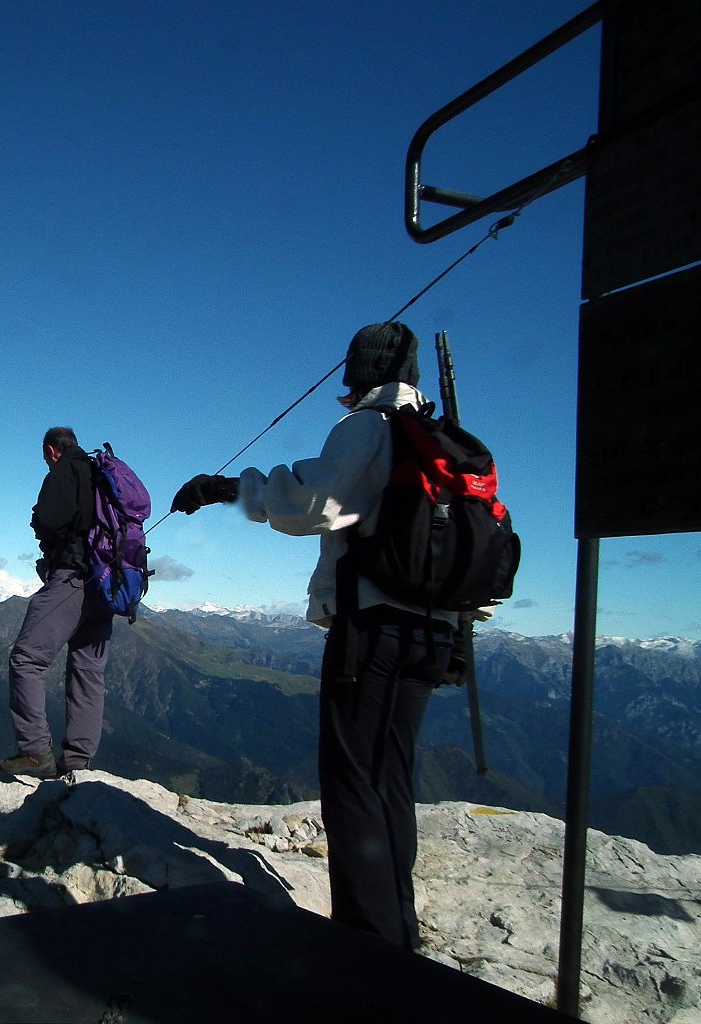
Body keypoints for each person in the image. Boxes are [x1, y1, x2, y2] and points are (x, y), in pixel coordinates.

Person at [170, 322, 456, 951]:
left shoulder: (368, 429)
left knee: (353, 784)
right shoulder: (440, 440)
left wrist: (224, 491)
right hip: (434, 635)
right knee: (394, 779)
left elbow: (307, 505)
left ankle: (368, 946)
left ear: (356, 375)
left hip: (372, 630)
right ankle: (398, 926)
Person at [0, 427, 114, 779]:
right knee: (88, 671)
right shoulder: (99, 470)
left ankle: (35, 753)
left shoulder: (63, 472)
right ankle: (79, 762)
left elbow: (50, 519)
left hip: (72, 578)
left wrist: (39, 522)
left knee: (26, 659)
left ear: (51, 450)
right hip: (107, 583)